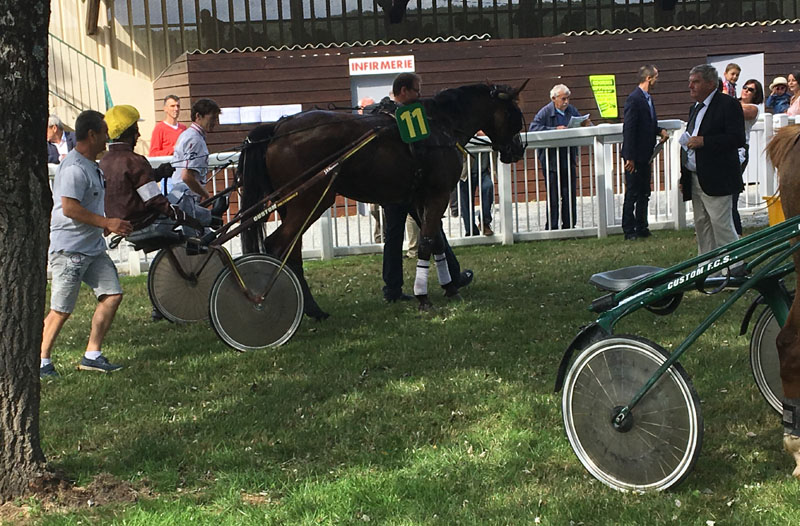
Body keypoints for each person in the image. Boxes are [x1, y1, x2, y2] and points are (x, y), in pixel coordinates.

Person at [40, 110, 133, 378]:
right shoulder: (74, 168)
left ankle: (92, 355)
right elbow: (69, 208)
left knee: (112, 294)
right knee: (61, 310)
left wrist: (101, 224)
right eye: (104, 133)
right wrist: (106, 222)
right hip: (70, 249)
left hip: (92, 247)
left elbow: (87, 204)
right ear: (91, 135)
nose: (107, 138)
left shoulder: (91, 164)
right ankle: (40, 361)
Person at [372, 72, 473, 302]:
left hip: (395, 186)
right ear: (404, 91)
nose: (420, 95)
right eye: (417, 90)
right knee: (432, 230)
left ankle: (393, 289)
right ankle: (451, 278)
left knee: (396, 235)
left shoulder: (382, 112)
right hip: (411, 186)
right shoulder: (405, 114)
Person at [679, 64, 746, 268]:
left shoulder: (728, 104)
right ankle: (707, 268)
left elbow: (737, 138)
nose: (690, 86)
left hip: (718, 177)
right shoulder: (695, 108)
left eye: (696, 81)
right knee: (702, 225)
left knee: (721, 225)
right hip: (695, 176)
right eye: (690, 81)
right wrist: (684, 175)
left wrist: (705, 141)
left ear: (710, 83)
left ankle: (735, 267)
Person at [100, 104, 201, 232]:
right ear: (129, 133)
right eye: (136, 130)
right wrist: (186, 219)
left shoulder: (103, 161)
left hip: (117, 226)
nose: (139, 135)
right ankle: (209, 220)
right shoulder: (135, 161)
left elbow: (131, 184)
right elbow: (154, 200)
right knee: (182, 188)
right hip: (144, 224)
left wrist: (158, 173)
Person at [529, 84, 592, 230]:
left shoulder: (571, 110)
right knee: (553, 195)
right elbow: (534, 128)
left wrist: (586, 124)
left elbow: (584, 123)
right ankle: (552, 226)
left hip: (569, 158)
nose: (566, 102)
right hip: (551, 161)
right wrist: (554, 130)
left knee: (569, 193)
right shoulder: (545, 112)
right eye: (563, 99)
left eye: (568, 98)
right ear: (554, 98)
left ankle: (569, 225)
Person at [621, 65, 670, 241]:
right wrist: (629, 157)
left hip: (646, 154)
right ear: (649, 78)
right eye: (656, 77)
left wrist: (660, 130)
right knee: (632, 193)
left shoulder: (648, 99)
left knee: (644, 193)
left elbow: (647, 124)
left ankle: (642, 227)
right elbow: (629, 128)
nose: (658, 80)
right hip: (635, 155)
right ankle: (629, 230)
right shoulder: (634, 99)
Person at [169, 98, 223, 228]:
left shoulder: (187, 134)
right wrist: (205, 194)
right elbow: (187, 176)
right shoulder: (195, 139)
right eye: (213, 118)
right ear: (198, 116)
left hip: (180, 195)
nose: (215, 122)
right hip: (187, 198)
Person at [733, 79, 764, 235]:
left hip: (740, 151)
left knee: (732, 192)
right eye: (745, 87)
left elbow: (740, 112)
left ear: (756, 95)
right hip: (726, 147)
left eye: (750, 89)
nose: (746, 90)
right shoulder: (733, 103)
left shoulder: (754, 109)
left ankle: (737, 231)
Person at [457, 136, 495, 236]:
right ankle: (470, 230)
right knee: (465, 201)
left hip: (483, 170)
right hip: (465, 171)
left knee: (488, 186)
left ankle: (485, 223)